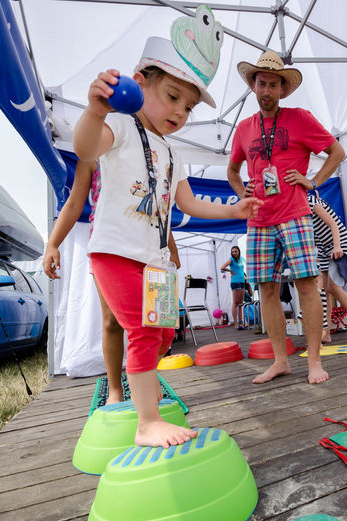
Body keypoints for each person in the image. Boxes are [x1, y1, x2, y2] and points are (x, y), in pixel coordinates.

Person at [73, 24, 261, 447]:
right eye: (173, 97)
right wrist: (95, 111)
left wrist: (232, 209)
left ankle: (143, 382)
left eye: (189, 106)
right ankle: (146, 422)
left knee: (161, 334)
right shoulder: (119, 127)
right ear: (138, 84)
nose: (181, 111)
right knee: (141, 329)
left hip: (156, 263)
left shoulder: (174, 152)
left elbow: (190, 204)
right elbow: (85, 149)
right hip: (116, 253)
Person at [227, 50, 345, 384]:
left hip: (295, 215)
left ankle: (314, 362)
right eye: (261, 83)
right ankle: (281, 360)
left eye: (273, 85)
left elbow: (336, 151)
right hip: (259, 219)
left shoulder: (300, 118)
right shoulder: (244, 128)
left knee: (307, 286)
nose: (266, 90)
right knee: (266, 289)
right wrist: (242, 193)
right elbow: (232, 170)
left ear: (283, 90)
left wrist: (315, 181)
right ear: (254, 86)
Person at [43, 160, 181, 405]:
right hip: (109, 249)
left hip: (151, 251)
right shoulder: (94, 156)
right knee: (112, 320)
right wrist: (53, 244)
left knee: (162, 325)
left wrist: (173, 248)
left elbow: (159, 210)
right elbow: (74, 202)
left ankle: (147, 374)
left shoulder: (149, 157)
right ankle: (116, 388)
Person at [307, 192, 347, 343]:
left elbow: (333, 224)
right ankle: (326, 331)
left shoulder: (310, 202)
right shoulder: (300, 210)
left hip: (338, 243)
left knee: (335, 288)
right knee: (325, 290)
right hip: (323, 248)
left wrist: (337, 246)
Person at [220, 246, 249, 330]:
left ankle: (241, 323)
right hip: (235, 282)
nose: (234, 253)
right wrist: (230, 271)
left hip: (242, 281)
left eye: (235, 251)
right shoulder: (231, 259)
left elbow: (240, 270)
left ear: (239, 251)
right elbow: (222, 267)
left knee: (240, 303)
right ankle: (236, 324)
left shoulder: (241, 259)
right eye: (232, 252)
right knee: (235, 303)